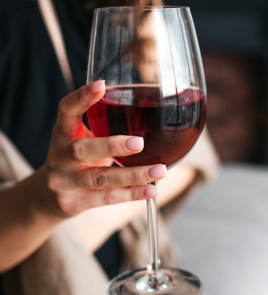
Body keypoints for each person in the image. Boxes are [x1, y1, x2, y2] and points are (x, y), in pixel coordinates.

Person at [0, 0, 220, 294]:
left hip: (123, 267)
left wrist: (93, 216)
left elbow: (191, 144)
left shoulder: (99, 9)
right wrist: (48, 204)